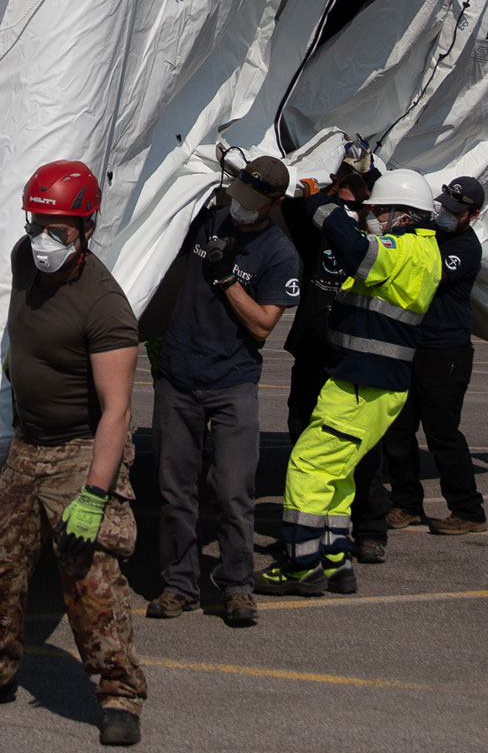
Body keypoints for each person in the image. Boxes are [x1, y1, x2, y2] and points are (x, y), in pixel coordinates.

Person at [0, 160, 146, 747]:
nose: (43, 241)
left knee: (89, 580)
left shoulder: (105, 306)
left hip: (80, 451)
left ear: (87, 228)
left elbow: (116, 412)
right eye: (37, 225)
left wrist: (96, 496)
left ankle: (119, 694)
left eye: (60, 230)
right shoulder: (25, 260)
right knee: (0, 569)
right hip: (29, 446)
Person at [256, 167, 441, 596]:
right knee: (339, 473)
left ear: (403, 215)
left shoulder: (403, 249)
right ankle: (335, 558)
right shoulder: (425, 250)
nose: (373, 216)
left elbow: (357, 252)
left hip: (361, 381)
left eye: (379, 211)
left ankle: (301, 566)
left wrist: (321, 202)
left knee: (307, 466)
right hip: (379, 384)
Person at [144, 149, 298, 628]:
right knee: (175, 491)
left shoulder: (279, 253)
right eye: (239, 194)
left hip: (231, 383)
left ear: (273, 203)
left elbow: (261, 327)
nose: (241, 205)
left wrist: (228, 279)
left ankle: (236, 586)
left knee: (233, 491)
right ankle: (180, 584)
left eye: (253, 200)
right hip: (177, 377)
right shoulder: (208, 222)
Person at [276, 138, 388, 562]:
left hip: (357, 349)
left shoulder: (377, 223)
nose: (357, 189)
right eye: (349, 179)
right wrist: (327, 186)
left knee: (362, 445)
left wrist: (366, 200)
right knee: (304, 433)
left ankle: (372, 529)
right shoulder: (320, 217)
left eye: (364, 182)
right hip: (314, 345)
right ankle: (308, 529)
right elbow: (294, 207)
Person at [379, 176, 488, 535]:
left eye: (455, 210)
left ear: (473, 214)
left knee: (442, 433)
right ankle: (406, 503)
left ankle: (468, 510)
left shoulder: (467, 248)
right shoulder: (430, 233)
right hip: (410, 343)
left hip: (446, 351)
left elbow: (427, 273)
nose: (445, 214)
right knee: (398, 429)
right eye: (444, 206)